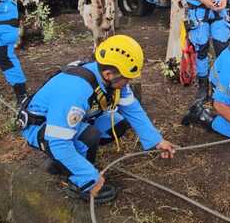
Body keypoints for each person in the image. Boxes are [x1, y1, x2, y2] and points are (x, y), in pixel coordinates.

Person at [19, 35, 176, 202]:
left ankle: (66, 162)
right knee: (89, 135)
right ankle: (79, 183)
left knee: (117, 123)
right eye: (127, 78)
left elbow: (132, 108)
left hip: (69, 121)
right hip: (42, 128)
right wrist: (90, 177)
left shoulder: (109, 77)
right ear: (108, 74)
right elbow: (58, 141)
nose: (129, 82)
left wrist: (157, 141)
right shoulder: (76, 91)